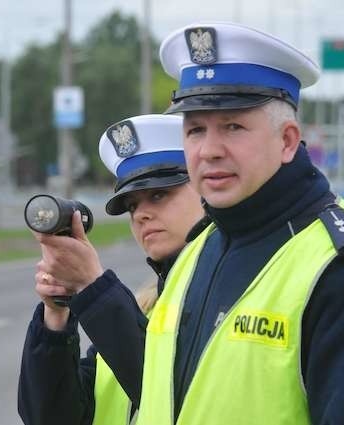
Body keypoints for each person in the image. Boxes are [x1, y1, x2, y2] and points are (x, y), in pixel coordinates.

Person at [132, 22, 344, 425]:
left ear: (287, 141)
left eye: (233, 126)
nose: (209, 151)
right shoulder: (199, 249)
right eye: (196, 130)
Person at [17, 114, 206, 425]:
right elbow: (50, 418)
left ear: (205, 189)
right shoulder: (146, 308)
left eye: (159, 195)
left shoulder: (229, 295)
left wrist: (92, 285)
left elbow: (175, 398)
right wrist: (57, 314)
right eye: (132, 205)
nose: (142, 214)